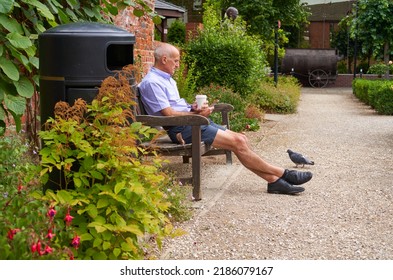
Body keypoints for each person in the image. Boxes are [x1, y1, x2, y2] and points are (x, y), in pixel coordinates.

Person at [138, 43, 313, 194]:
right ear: (164, 60)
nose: (178, 65)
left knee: (241, 139)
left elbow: (174, 106)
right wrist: (196, 115)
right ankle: (283, 174)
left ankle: (274, 181)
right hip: (183, 129)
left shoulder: (167, 79)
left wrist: (194, 108)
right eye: (176, 61)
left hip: (192, 122)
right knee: (238, 141)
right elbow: (168, 115)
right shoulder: (153, 82)